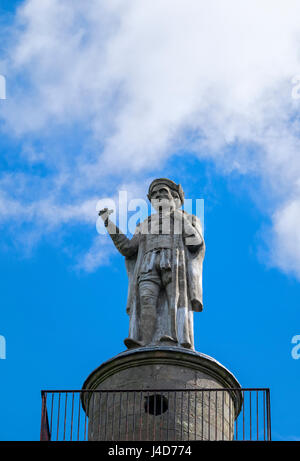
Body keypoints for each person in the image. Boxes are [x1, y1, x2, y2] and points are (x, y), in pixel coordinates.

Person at [99, 178, 205, 350]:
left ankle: (175, 337)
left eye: (162, 192)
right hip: (148, 264)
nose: (158, 196)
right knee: (146, 300)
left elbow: (195, 242)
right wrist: (108, 224)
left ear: (174, 197)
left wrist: (178, 217)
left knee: (175, 300)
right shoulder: (145, 223)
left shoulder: (188, 218)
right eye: (154, 194)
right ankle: (143, 340)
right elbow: (128, 248)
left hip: (173, 262)